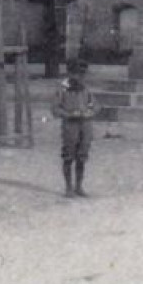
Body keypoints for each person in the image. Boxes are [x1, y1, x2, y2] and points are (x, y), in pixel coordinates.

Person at [52, 60, 97, 197]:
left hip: (85, 125)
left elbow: (95, 105)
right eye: (77, 74)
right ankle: (68, 187)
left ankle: (79, 186)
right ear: (70, 74)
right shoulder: (62, 89)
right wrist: (69, 114)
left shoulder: (86, 89)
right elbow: (55, 109)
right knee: (68, 156)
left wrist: (91, 112)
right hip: (70, 126)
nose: (80, 77)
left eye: (83, 74)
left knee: (82, 156)